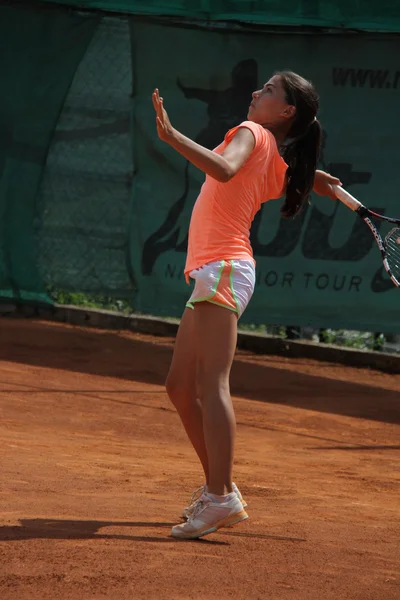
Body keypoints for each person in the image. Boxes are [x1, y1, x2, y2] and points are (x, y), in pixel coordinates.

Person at [151, 71, 341, 540]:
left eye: (271, 90)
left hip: (224, 269)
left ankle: (218, 497)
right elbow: (275, 178)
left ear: (286, 112)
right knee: (179, 386)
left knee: (212, 383)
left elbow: (226, 170)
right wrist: (310, 177)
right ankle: (222, 490)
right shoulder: (272, 153)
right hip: (214, 273)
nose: (258, 93)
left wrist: (173, 136)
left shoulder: (251, 133)